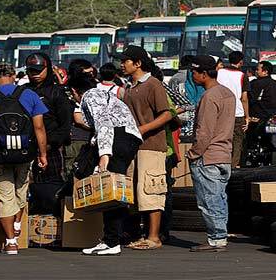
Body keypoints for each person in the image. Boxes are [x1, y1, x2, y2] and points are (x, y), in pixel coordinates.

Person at [0, 62, 48, 255]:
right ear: (14, 75)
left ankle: (11, 241)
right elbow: (39, 127)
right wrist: (43, 153)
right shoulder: (29, 95)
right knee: (21, 192)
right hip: (25, 154)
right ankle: (17, 224)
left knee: (4, 196)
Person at [68, 75, 142, 256]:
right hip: (127, 138)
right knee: (111, 191)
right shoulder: (102, 95)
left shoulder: (91, 96)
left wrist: (104, 155)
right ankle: (110, 239)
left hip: (118, 138)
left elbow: (104, 123)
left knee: (110, 192)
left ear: (74, 92)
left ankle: (112, 241)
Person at [117, 45, 172, 251]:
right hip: (132, 147)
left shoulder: (153, 84)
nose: (122, 65)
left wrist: (142, 129)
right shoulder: (128, 87)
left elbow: (166, 114)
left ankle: (154, 237)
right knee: (135, 193)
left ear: (138, 63)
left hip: (152, 146)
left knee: (151, 191)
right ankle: (140, 234)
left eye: (126, 61)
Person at [186, 55, 236, 252]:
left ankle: (216, 238)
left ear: (204, 74)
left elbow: (204, 131)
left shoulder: (209, 96)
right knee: (219, 197)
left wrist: (194, 153)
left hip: (208, 156)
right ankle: (219, 235)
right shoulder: (228, 93)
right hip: (224, 154)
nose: (192, 75)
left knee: (208, 200)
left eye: (195, 72)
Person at [24, 53, 73, 214]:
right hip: (27, 149)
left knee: (52, 190)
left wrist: (50, 145)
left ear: (48, 69)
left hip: (52, 149)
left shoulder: (57, 92)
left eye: (39, 70)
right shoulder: (22, 91)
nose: (35, 74)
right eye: (31, 70)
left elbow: (65, 126)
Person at [217, 51, 250, 168]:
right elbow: (244, 98)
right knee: (237, 142)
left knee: (221, 140)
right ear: (240, 62)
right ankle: (233, 167)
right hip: (237, 113)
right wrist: (247, 117)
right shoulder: (242, 76)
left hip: (220, 113)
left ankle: (220, 165)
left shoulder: (219, 72)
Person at [246, 61, 276, 165]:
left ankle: (250, 152)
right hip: (274, 117)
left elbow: (249, 99)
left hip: (257, 117)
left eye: (258, 69)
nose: (256, 71)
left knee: (250, 139)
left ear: (265, 72)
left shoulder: (254, 84)